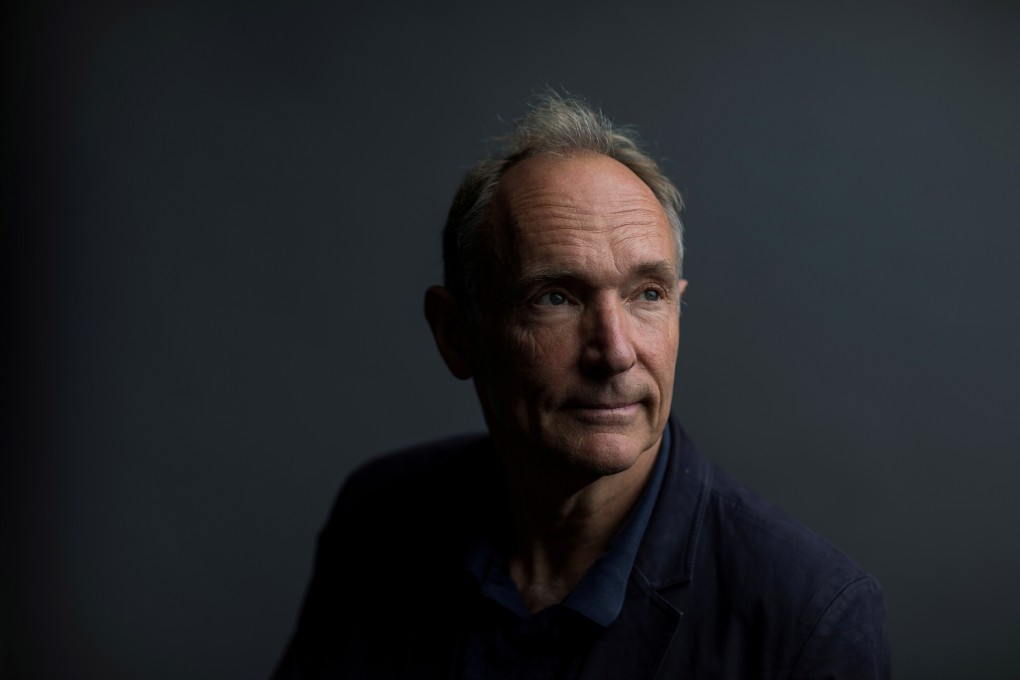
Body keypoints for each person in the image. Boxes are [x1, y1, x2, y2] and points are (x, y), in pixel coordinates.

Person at [272, 92, 890, 679]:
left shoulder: (809, 618)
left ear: (677, 309)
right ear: (457, 334)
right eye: (556, 297)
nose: (616, 353)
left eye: (646, 294)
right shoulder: (379, 519)